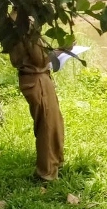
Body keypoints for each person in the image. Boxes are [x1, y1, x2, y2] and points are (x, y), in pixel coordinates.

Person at [8, 31, 65, 181]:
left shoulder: (13, 22)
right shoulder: (25, 24)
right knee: (47, 126)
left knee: (52, 122)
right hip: (37, 79)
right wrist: (63, 49)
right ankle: (46, 172)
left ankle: (54, 163)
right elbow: (40, 59)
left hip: (32, 78)